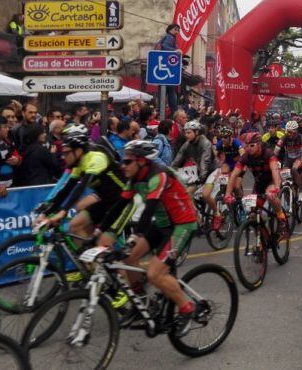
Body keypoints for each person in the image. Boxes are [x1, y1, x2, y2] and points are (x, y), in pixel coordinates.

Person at [96, 140, 200, 330]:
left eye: (127, 162)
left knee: (154, 273)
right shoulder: (135, 178)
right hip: (161, 224)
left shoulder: (157, 176)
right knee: (129, 259)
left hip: (182, 224)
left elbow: (148, 210)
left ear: (142, 161)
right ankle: (140, 302)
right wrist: (100, 230)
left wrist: (134, 238)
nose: (122, 165)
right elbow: (118, 207)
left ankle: (187, 307)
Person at [40, 124, 127, 244]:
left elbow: (80, 189)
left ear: (79, 151)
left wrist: (62, 212)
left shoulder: (96, 158)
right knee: (74, 225)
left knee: (101, 243)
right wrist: (47, 212)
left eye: (67, 153)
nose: (63, 157)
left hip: (121, 201)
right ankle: (87, 259)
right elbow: (66, 189)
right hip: (105, 200)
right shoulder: (78, 163)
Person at [225, 132, 289, 238]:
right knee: (253, 215)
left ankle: (282, 218)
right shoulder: (246, 157)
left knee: (270, 194)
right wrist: (228, 194)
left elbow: (275, 170)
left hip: (271, 181)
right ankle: (263, 243)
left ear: (259, 144)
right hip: (259, 184)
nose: (248, 148)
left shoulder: (268, 154)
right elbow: (233, 175)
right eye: (246, 145)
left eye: (252, 145)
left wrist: (277, 187)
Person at [171, 121, 217, 191]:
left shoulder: (205, 143)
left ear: (197, 132)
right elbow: (178, 159)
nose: (186, 135)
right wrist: (170, 171)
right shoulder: (187, 144)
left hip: (212, 171)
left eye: (189, 132)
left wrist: (201, 178)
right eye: (185, 133)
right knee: (187, 191)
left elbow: (205, 162)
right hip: (201, 171)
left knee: (205, 195)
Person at [274, 120, 302, 196]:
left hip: (298, 158)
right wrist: (273, 160)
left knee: (294, 169)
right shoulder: (284, 137)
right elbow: (276, 150)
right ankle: (287, 197)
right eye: (287, 131)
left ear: (295, 131)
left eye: (290, 132)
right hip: (288, 158)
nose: (288, 133)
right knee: (284, 175)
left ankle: (301, 191)